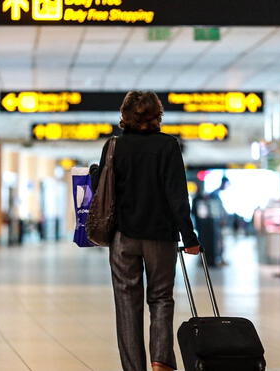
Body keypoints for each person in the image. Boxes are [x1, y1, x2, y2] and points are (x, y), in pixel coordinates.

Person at [91, 91, 200, 371]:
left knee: (127, 303)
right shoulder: (168, 146)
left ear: (125, 116)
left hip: (122, 237)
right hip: (160, 237)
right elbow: (177, 196)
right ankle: (161, 361)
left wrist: (94, 173)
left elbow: (103, 188)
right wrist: (190, 238)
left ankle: (133, 368)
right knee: (161, 298)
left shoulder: (114, 146)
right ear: (157, 115)